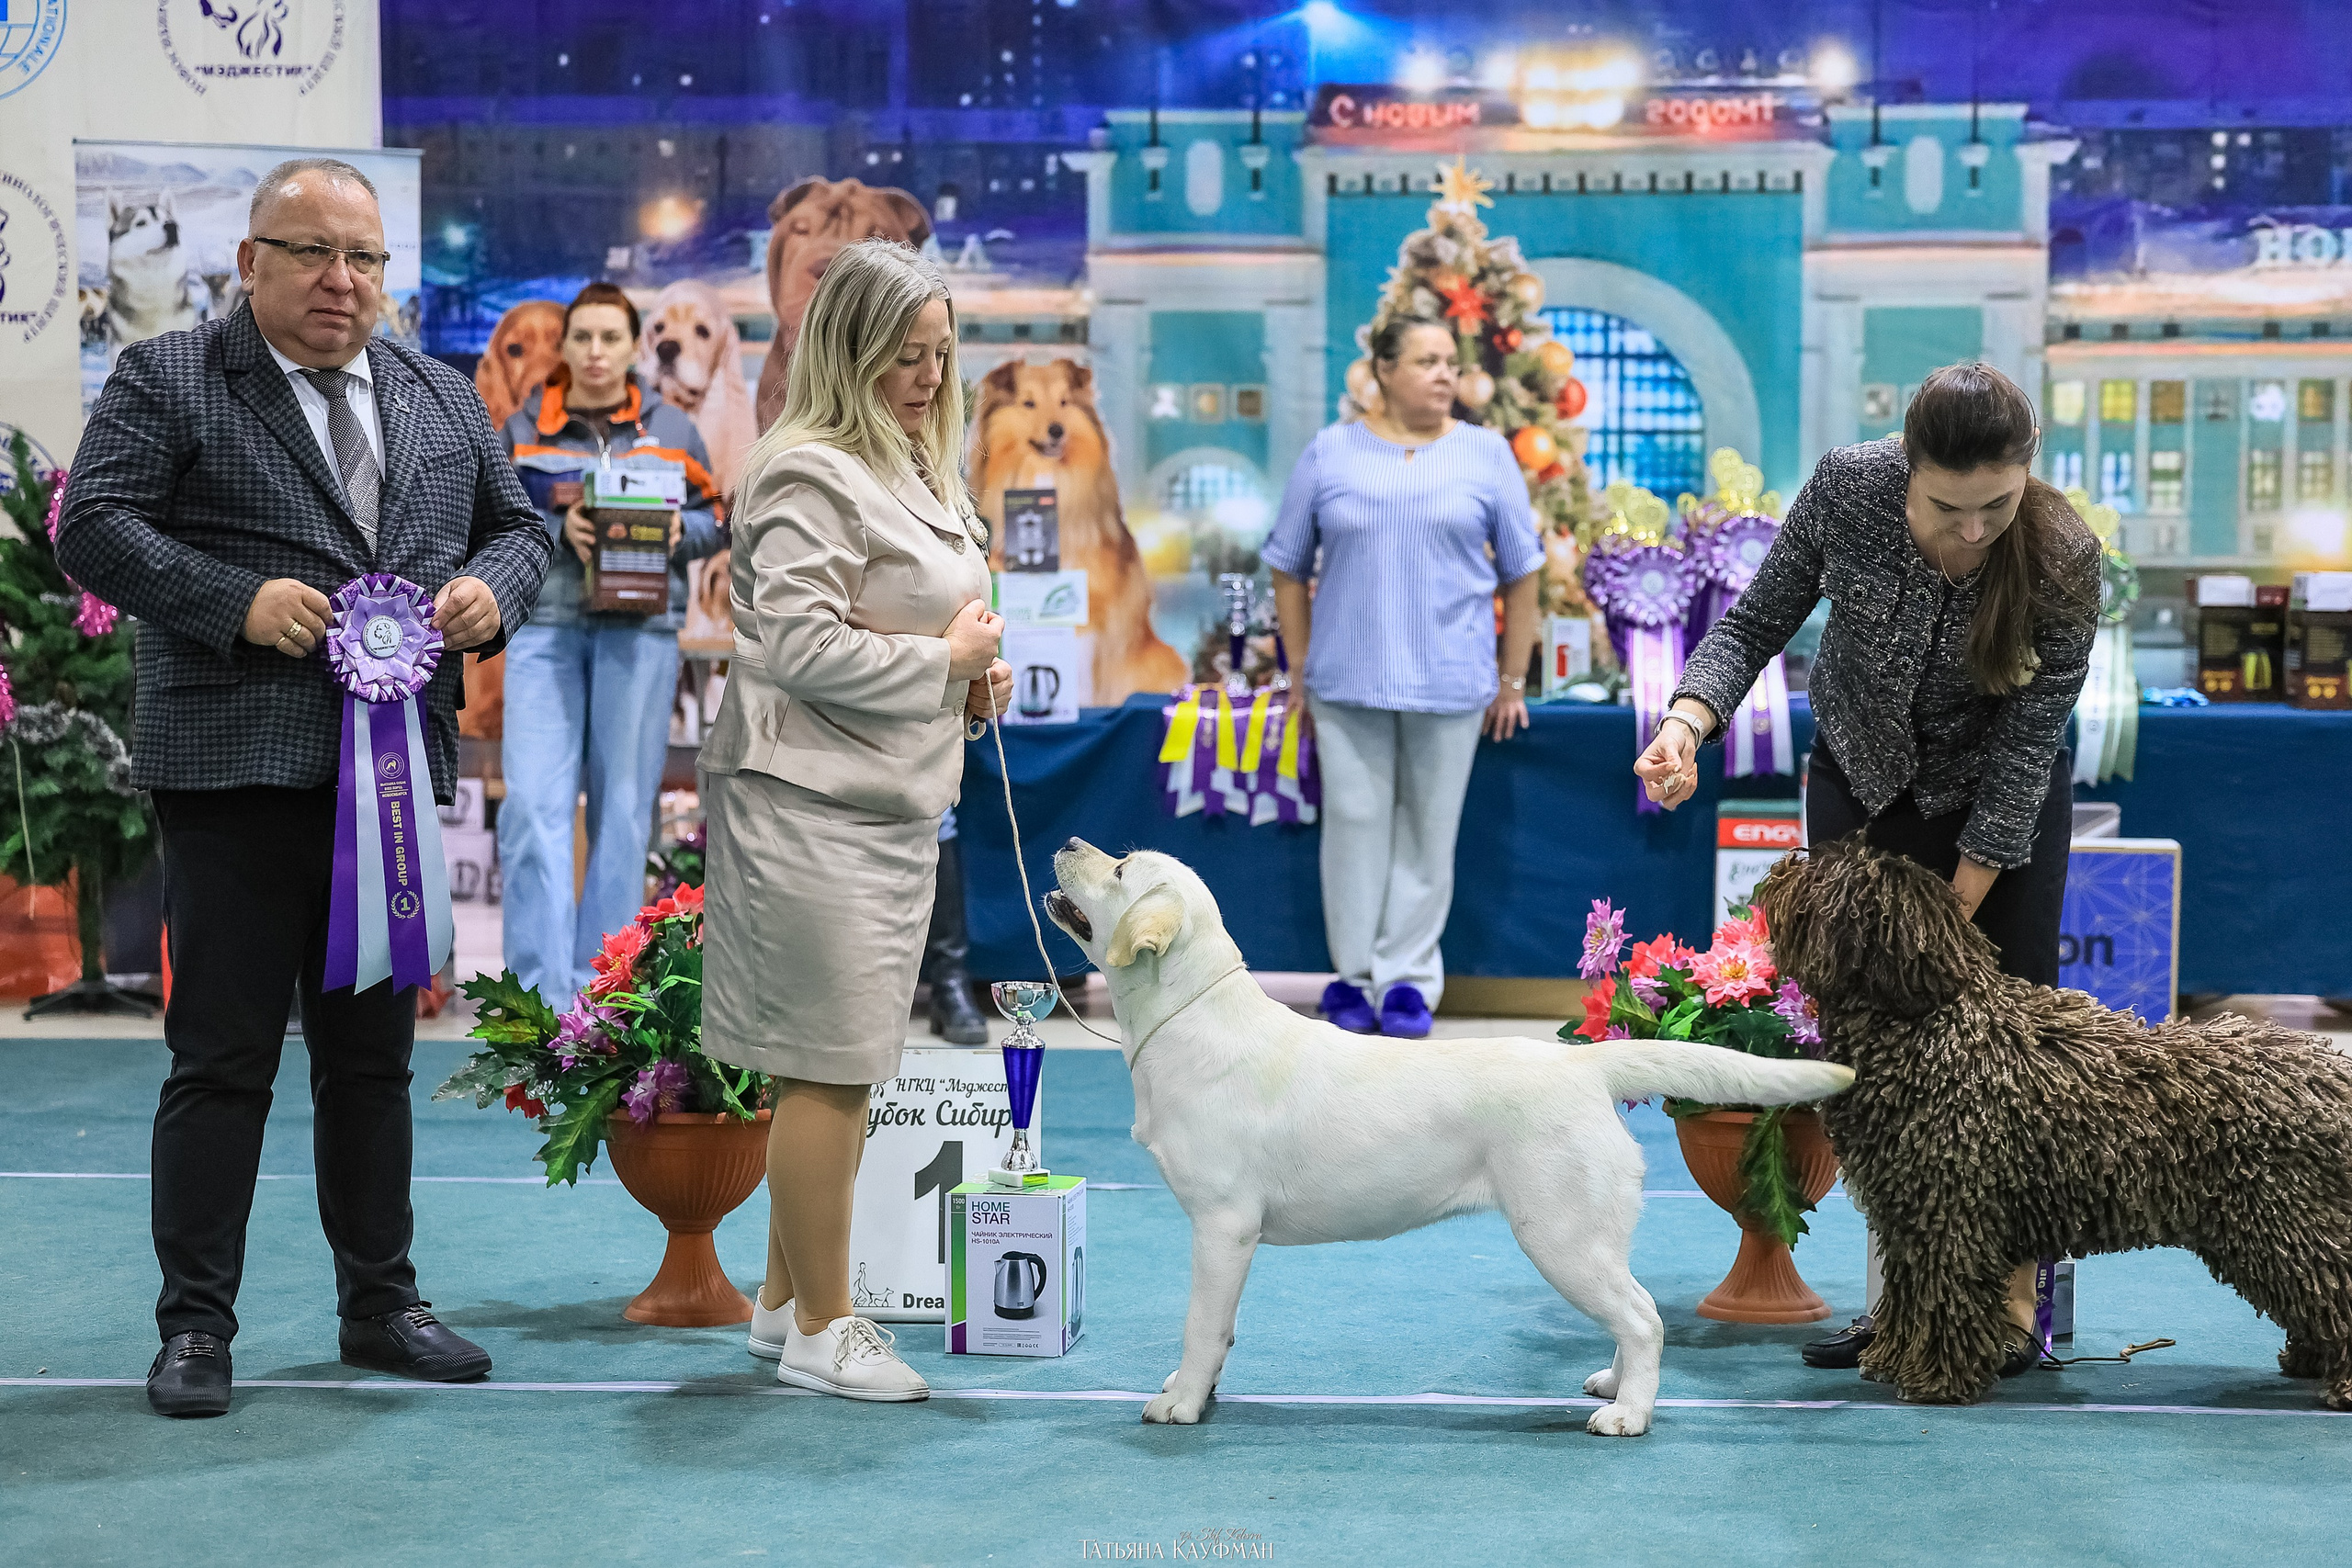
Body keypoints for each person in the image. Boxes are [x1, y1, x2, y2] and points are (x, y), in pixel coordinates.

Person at [56, 158, 553, 1417]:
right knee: (221, 1059)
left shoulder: (441, 395)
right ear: (252, 263)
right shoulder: (171, 376)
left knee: (371, 1064)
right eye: (315, 252)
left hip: (384, 785)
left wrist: (495, 592)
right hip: (233, 768)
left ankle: (381, 1299)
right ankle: (195, 1326)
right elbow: (94, 524)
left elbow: (523, 525)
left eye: (367, 258)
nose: (345, 281)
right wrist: (240, 604)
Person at [1641, 360, 2099, 1376]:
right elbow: (1756, 621)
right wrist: (1687, 720)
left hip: (1999, 810)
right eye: (1948, 505)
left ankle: (2017, 1307)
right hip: (1861, 780)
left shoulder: (2063, 558)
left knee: (2005, 1060)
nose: (1973, 529)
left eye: (1997, 505)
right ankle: (1904, 1303)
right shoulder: (1847, 487)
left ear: (2027, 475)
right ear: (1905, 468)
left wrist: (1956, 908)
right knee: (1880, 1063)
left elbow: (2027, 750)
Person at [696, 239, 1012, 1399]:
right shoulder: (805, 470)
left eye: (939, 354)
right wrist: (942, 662)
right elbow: (796, 643)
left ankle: (784, 1308)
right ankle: (830, 1328)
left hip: (884, 804)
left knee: (835, 1070)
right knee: (827, 1072)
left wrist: (966, 683)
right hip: (806, 806)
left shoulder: (918, 466)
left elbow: (918, 637)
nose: (929, 378)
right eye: (905, 357)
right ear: (848, 349)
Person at [1264, 315, 1544, 1040]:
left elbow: (1524, 573)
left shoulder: (1486, 454)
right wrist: (1298, 668)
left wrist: (1512, 682)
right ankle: (1353, 979)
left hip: (1452, 683)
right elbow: (1287, 565)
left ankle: (1410, 984)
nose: (1445, 372)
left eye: (1451, 360)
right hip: (1346, 681)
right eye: (1426, 359)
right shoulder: (1331, 452)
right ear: (1383, 370)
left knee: (1428, 836)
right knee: (1353, 831)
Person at [495, 282, 725, 1002]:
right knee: (532, 807)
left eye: (609, 338)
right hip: (546, 629)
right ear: (563, 346)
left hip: (642, 631)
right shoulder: (523, 429)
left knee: (625, 811)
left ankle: (605, 998)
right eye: (583, 337)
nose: (596, 351)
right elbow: (495, 520)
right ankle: (536, 1004)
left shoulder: (675, 432)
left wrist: (656, 533)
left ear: (633, 347)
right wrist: (559, 529)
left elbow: (717, 520)